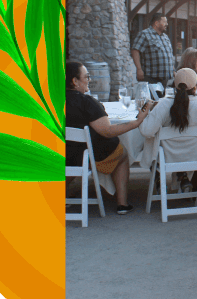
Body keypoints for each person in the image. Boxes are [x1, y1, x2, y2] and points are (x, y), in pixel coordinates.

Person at [65, 61, 154, 214]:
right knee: (122, 154)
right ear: (74, 81)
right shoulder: (87, 103)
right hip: (86, 157)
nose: (90, 80)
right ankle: (122, 204)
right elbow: (108, 131)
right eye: (87, 77)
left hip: (61, 155)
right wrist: (137, 122)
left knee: (74, 152)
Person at [140, 67, 197, 193]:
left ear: (175, 87)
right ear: (196, 87)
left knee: (152, 139)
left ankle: (159, 177)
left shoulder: (164, 105)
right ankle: (182, 176)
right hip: (195, 156)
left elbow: (146, 131)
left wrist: (144, 112)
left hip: (166, 158)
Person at [131, 13, 175, 90]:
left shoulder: (165, 37)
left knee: (163, 101)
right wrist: (139, 69)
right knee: (152, 101)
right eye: (164, 22)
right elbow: (135, 50)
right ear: (156, 23)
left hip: (166, 79)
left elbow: (169, 56)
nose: (167, 24)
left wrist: (173, 70)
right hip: (151, 78)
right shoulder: (144, 34)